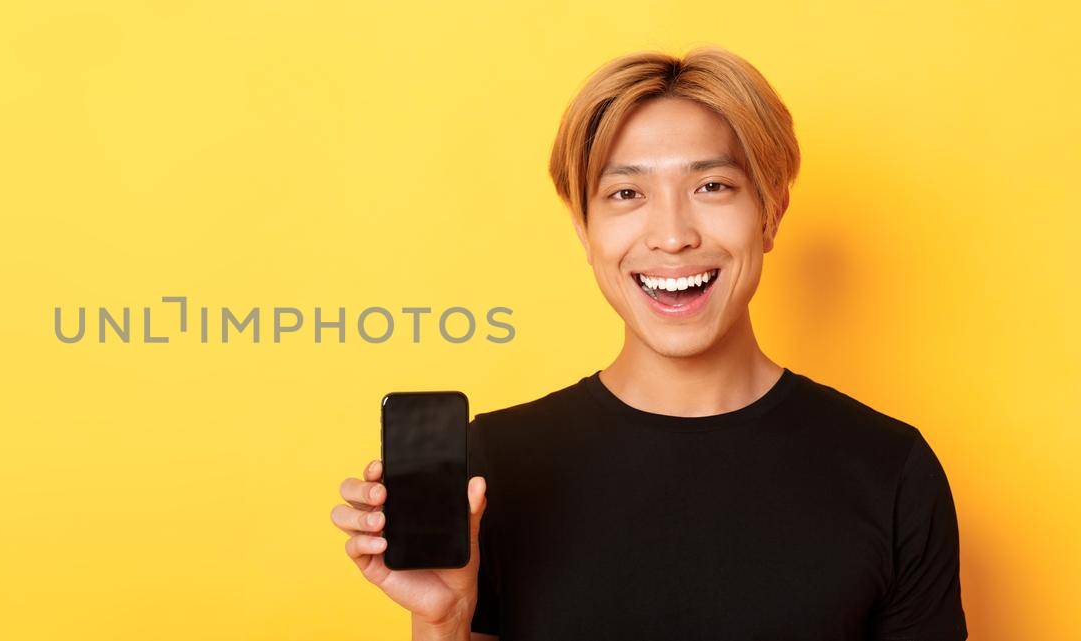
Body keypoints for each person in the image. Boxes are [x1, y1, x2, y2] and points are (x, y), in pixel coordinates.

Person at [330, 47, 967, 640]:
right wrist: (443, 623)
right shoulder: (488, 471)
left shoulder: (890, 472)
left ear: (771, 211)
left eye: (711, 186)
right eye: (627, 193)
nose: (671, 235)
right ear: (584, 231)